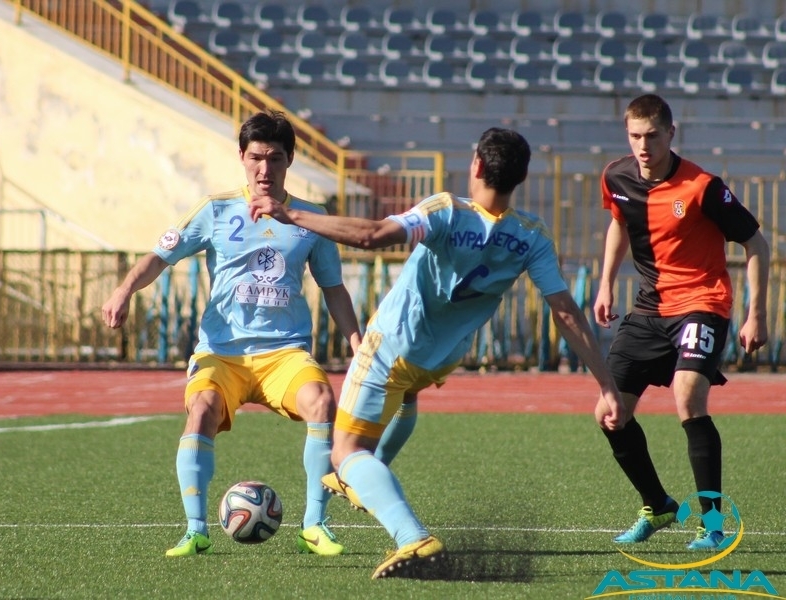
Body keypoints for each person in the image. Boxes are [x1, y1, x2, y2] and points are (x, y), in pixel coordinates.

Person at [250, 127, 625, 579]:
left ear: (476, 166)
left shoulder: (446, 210)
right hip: (440, 358)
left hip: (394, 345)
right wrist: (606, 385)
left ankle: (411, 536)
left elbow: (373, 235)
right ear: (520, 178)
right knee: (404, 398)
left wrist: (291, 214)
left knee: (344, 454)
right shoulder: (532, 235)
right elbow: (565, 311)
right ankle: (371, 474)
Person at [102, 110, 362, 558]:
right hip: (222, 354)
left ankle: (315, 526)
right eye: (256, 158)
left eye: (275, 158)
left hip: (284, 354)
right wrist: (124, 289)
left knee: (322, 401)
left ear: (290, 160)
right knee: (201, 408)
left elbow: (334, 288)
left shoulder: (312, 219)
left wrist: (357, 343)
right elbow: (159, 256)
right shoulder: (215, 210)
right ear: (241, 157)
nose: (265, 169)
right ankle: (195, 530)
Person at [592, 94, 769, 550]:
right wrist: (605, 284)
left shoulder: (702, 186)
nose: (643, 146)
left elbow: (756, 244)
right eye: (634, 136)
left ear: (671, 133)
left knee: (688, 395)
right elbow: (619, 222)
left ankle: (712, 524)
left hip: (702, 302)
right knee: (610, 414)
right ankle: (658, 505)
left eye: (652, 135)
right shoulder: (616, 177)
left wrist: (756, 313)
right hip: (649, 308)